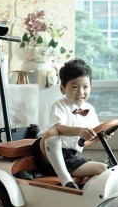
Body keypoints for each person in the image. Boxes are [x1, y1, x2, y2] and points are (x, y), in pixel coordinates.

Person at [33, 58, 108, 189]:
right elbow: (59, 128)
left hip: (69, 157)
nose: (81, 92)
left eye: (85, 87)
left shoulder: (90, 109)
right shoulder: (59, 105)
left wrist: (102, 135)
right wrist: (79, 131)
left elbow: (91, 135)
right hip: (46, 153)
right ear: (63, 89)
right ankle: (66, 179)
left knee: (104, 168)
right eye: (74, 87)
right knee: (52, 132)